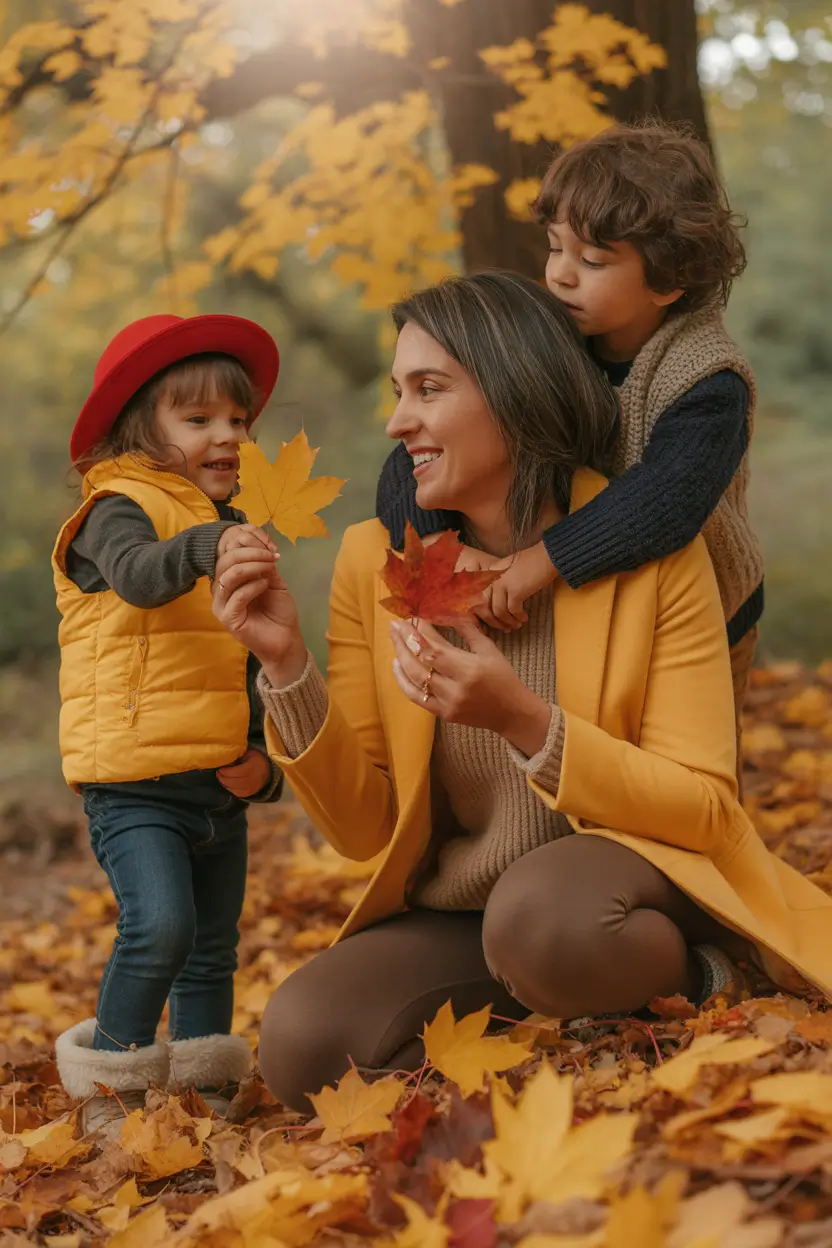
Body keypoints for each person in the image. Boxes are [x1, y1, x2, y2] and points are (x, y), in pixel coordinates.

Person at [211, 273, 832, 1115]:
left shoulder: (650, 554)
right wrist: (285, 666)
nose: (399, 422)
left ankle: (704, 975)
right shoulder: (375, 564)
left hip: (620, 890)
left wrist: (525, 721)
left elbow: (706, 808)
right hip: (470, 913)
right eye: (398, 393)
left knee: (543, 918)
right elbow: (365, 829)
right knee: (303, 1040)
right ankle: (541, 1019)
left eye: (429, 389)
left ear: (517, 388)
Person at [376, 121, 763, 739]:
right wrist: (447, 552)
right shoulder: (555, 340)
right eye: (556, 247)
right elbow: (412, 458)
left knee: (683, 763)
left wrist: (537, 563)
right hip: (591, 602)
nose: (560, 275)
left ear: (669, 278)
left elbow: (666, 502)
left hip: (706, 608)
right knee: (581, 742)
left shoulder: (708, 381)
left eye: (592, 260)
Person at [52, 314, 283, 1133]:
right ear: (142, 428)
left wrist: (264, 758)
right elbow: (141, 580)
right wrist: (206, 545)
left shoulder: (228, 522)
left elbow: (247, 659)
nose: (225, 435)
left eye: (238, 420)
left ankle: (206, 1085)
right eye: (198, 420)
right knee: (161, 926)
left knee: (213, 944)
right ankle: (111, 1091)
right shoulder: (114, 508)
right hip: (134, 779)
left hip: (214, 775)